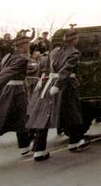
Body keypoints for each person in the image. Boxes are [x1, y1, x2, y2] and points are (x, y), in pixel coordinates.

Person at [27, 26, 90, 162]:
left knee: (48, 115)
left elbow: (46, 66)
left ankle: (40, 148)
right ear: (74, 40)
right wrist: (58, 85)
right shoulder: (74, 53)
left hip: (50, 83)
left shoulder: (55, 51)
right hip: (66, 85)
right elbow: (66, 70)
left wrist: (44, 79)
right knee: (72, 113)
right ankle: (74, 141)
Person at [0, 29, 33, 156]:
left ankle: (24, 146)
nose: (28, 47)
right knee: (20, 118)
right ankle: (24, 145)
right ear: (22, 46)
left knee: (10, 117)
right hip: (16, 92)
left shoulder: (7, 57)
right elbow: (6, 73)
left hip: (7, 90)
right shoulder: (21, 59)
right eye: (27, 45)